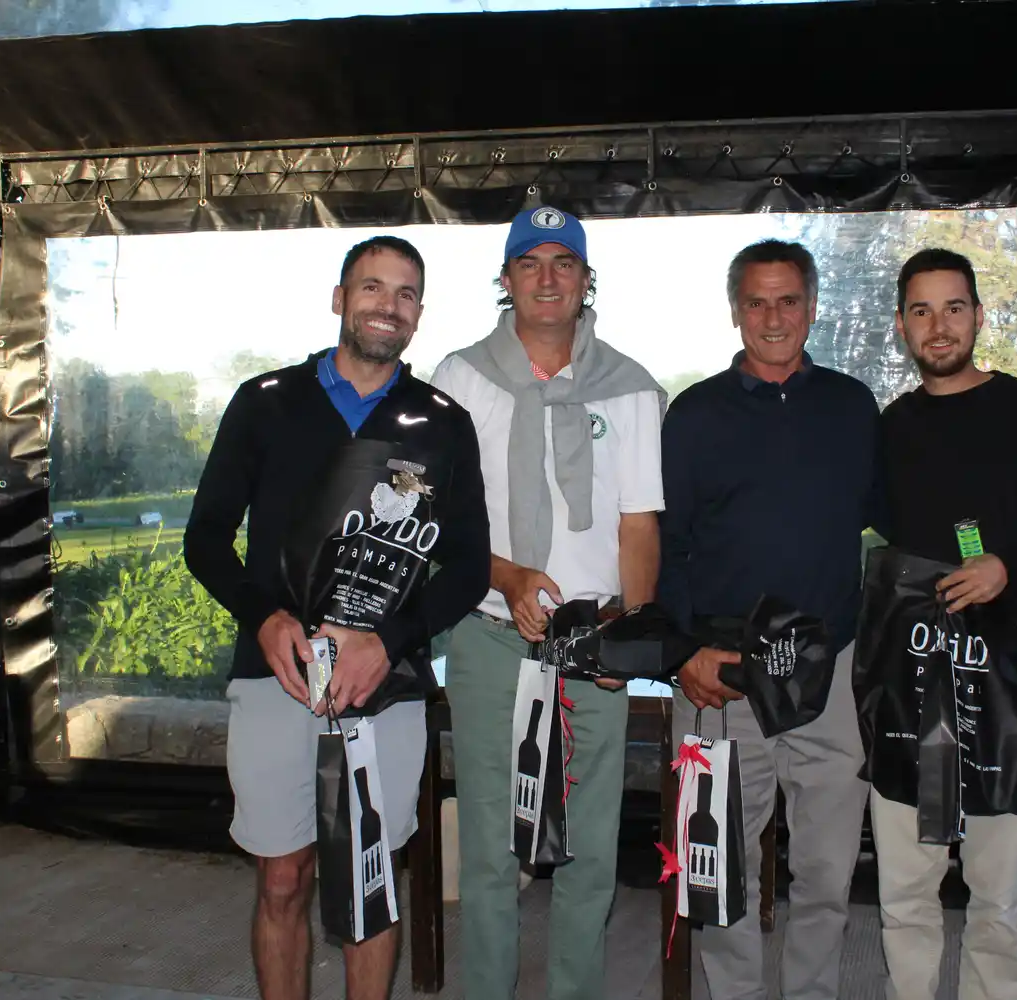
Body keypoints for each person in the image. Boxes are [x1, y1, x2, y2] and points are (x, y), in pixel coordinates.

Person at [184, 235, 491, 1000]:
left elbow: (471, 569)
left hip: (383, 683)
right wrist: (263, 619)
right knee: (283, 879)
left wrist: (387, 643)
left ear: (419, 313)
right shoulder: (265, 404)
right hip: (275, 677)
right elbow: (205, 539)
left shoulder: (444, 424)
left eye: (406, 293)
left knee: (369, 881)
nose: (388, 305)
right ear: (339, 297)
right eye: (372, 287)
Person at [429, 206, 665, 1000]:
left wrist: (628, 638)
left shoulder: (632, 389)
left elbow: (639, 527)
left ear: (587, 280)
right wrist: (509, 577)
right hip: (491, 636)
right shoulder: (459, 379)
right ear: (505, 280)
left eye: (565, 263)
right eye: (531, 263)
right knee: (494, 846)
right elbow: (438, 524)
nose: (548, 278)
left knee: (591, 847)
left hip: (592, 646)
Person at [869, 247, 1017, 1000]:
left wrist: (1008, 566)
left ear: (978, 314)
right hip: (915, 689)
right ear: (903, 324)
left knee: (998, 894)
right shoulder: (891, 429)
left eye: (954, 308)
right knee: (907, 884)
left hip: (1012, 684)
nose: (939, 327)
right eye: (922, 310)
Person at [658, 239, 877, 1000]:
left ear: (812, 308)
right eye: (757, 301)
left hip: (830, 673)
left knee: (826, 869)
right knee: (723, 869)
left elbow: (895, 516)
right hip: (721, 674)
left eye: (788, 300)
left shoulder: (853, 406)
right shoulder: (692, 415)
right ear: (735, 311)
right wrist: (683, 650)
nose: (774, 316)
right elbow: (667, 545)